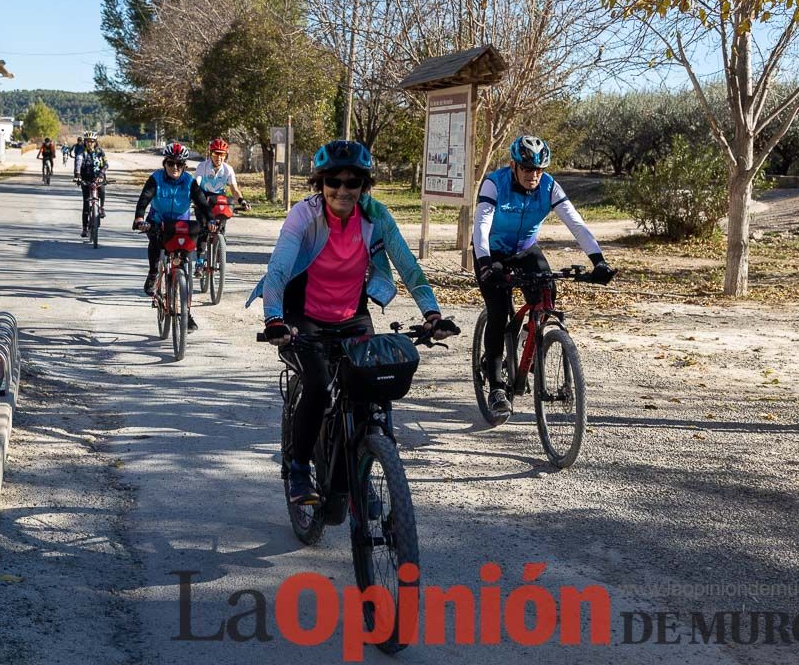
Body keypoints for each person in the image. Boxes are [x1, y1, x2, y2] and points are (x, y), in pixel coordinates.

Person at [249, 140, 459, 505]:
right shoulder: (304, 215)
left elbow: (408, 266)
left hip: (352, 314)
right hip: (303, 315)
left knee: (368, 393)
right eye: (334, 181)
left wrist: (432, 314)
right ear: (320, 183)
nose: (343, 190)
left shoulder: (376, 216)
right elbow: (279, 269)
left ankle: (360, 475)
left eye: (353, 182)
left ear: (364, 185)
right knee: (318, 387)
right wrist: (274, 319)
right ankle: (300, 469)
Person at [471, 134, 614, 425]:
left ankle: (529, 340)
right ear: (514, 165)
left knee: (547, 291)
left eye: (539, 170)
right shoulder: (494, 183)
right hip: (492, 252)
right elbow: (482, 223)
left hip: (524, 250)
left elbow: (575, 221)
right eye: (526, 168)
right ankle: (497, 385)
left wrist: (597, 260)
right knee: (499, 312)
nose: (533, 175)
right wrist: (485, 262)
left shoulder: (548, 187)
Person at [133, 142, 215, 332]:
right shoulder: (156, 179)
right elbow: (144, 198)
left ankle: (186, 314)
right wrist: (139, 218)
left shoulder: (189, 181)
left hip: (180, 226)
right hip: (158, 221)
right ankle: (153, 273)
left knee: (184, 269)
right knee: (155, 243)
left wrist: (210, 220)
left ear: (185, 166)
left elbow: (202, 203)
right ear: (165, 164)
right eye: (171, 163)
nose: (175, 168)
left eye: (180, 164)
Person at [192, 137, 250, 276]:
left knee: (221, 227)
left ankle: (220, 247)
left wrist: (241, 200)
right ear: (210, 154)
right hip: (204, 198)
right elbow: (197, 183)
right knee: (203, 229)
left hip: (219, 200)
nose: (219, 157)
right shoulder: (202, 167)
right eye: (216, 154)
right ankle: (199, 261)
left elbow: (234, 189)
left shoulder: (228, 169)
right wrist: (194, 196)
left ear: (226, 155)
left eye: (222, 154)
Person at [75, 133, 109, 237]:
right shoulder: (82, 152)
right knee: (86, 204)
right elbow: (78, 163)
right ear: (85, 142)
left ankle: (102, 207)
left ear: (95, 142)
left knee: (102, 190)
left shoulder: (100, 151)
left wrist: (101, 174)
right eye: (88, 141)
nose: (90, 143)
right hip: (85, 179)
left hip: (99, 177)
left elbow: (106, 164)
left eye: (92, 141)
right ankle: (85, 228)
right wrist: (78, 175)